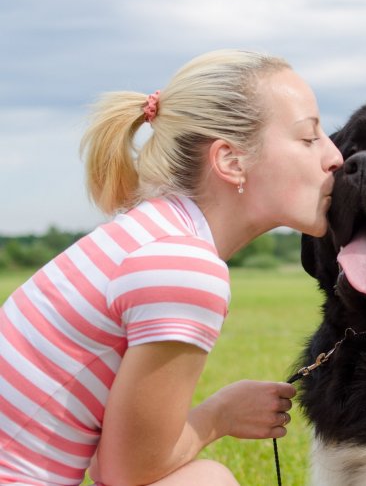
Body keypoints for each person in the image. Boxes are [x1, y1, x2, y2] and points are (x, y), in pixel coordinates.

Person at [0, 49, 344, 485]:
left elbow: (109, 461)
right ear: (231, 161)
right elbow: (127, 470)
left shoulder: (150, 236)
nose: (335, 156)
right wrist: (220, 415)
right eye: (309, 138)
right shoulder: (183, 267)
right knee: (207, 481)